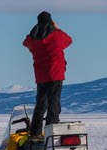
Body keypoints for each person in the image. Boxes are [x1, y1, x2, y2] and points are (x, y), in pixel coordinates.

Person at [23, 11, 72, 139]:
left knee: (41, 104)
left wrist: (34, 31)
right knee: (53, 104)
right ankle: (52, 133)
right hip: (55, 74)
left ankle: (35, 133)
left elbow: (25, 42)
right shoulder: (57, 35)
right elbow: (69, 40)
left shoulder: (33, 39)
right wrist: (56, 28)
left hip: (41, 76)